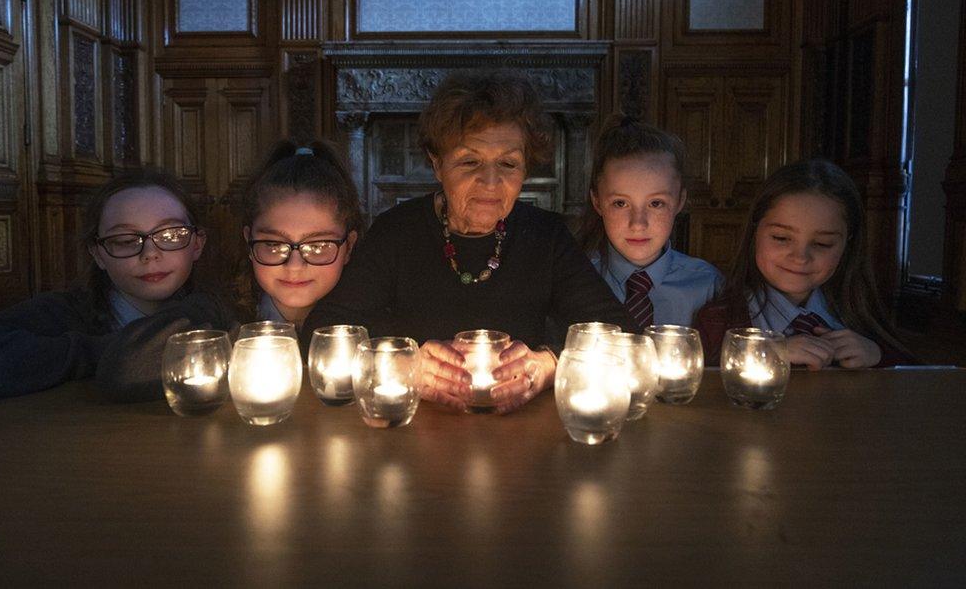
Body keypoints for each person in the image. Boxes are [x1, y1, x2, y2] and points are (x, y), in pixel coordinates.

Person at [303, 70, 633, 413]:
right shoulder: (395, 232)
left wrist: (550, 364)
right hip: (413, 424)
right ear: (437, 165)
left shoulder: (546, 236)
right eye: (469, 161)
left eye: (508, 163)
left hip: (521, 430)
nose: (490, 182)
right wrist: (404, 362)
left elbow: (623, 335)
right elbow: (320, 336)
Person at [0, 169, 233, 400]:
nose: (150, 253)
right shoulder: (64, 312)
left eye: (170, 235)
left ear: (197, 244)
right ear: (98, 254)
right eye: (125, 240)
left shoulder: (215, 313)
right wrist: (116, 350)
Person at [693, 159, 912, 368]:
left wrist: (878, 356)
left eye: (822, 243)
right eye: (781, 238)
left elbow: (920, 382)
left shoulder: (861, 315)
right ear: (755, 230)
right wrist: (768, 354)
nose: (800, 257)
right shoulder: (716, 321)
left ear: (848, 243)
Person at [578, 115, 722, 329]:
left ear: (680, 201)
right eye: (620, 203)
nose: (638, 224)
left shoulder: (709, 286)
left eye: (656, 203)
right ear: (597, 202)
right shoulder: (577, 280)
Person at [233, 139, 363, 330]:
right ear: (249, 242)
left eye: (317, 246)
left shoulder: (372, 327)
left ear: (349, 247)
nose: (294, 266)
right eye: (273, 245)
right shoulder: (224, 322)